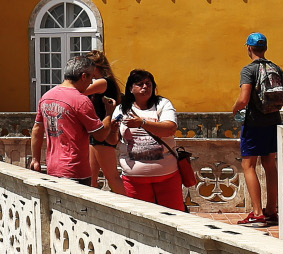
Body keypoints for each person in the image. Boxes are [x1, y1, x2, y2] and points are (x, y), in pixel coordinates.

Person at [231, 33, 283, 226]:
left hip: (254, 123)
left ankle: (257, 213)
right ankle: (271, 211)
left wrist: (235, 108)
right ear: (265, 48)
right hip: (273, 122)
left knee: (248, 166)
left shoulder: (249, 70)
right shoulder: (276, 68)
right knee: (270, 165)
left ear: (248, 48)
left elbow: (244, 98)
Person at [28, 55, 109, 185]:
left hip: (53, 168)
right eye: (91, 78)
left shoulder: (47, 96)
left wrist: (35, 159)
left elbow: (37, 129)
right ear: (83, 76)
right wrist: (110, 113)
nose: (91, 83)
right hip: (76, 170)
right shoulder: (81, 100)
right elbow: (100, 135)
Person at [115, 70, 184, 210]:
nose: (145, 87)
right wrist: (111, 127)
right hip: (133, 179)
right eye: (140, 84)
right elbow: (112, 140)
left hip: (167, 176)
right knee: (138, 219)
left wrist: (142, 123)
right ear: (130, 88)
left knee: (174, 217)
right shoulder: (121, 109)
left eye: (148, 84)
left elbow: (170, 129)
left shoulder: (162, 104)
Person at [83, 51, 122, 191]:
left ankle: (128, 208)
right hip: (97, 132)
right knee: (90, 178)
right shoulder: (107, 81)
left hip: (103, 132)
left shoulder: (102, 82)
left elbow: (79, 91)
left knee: (112, 176)